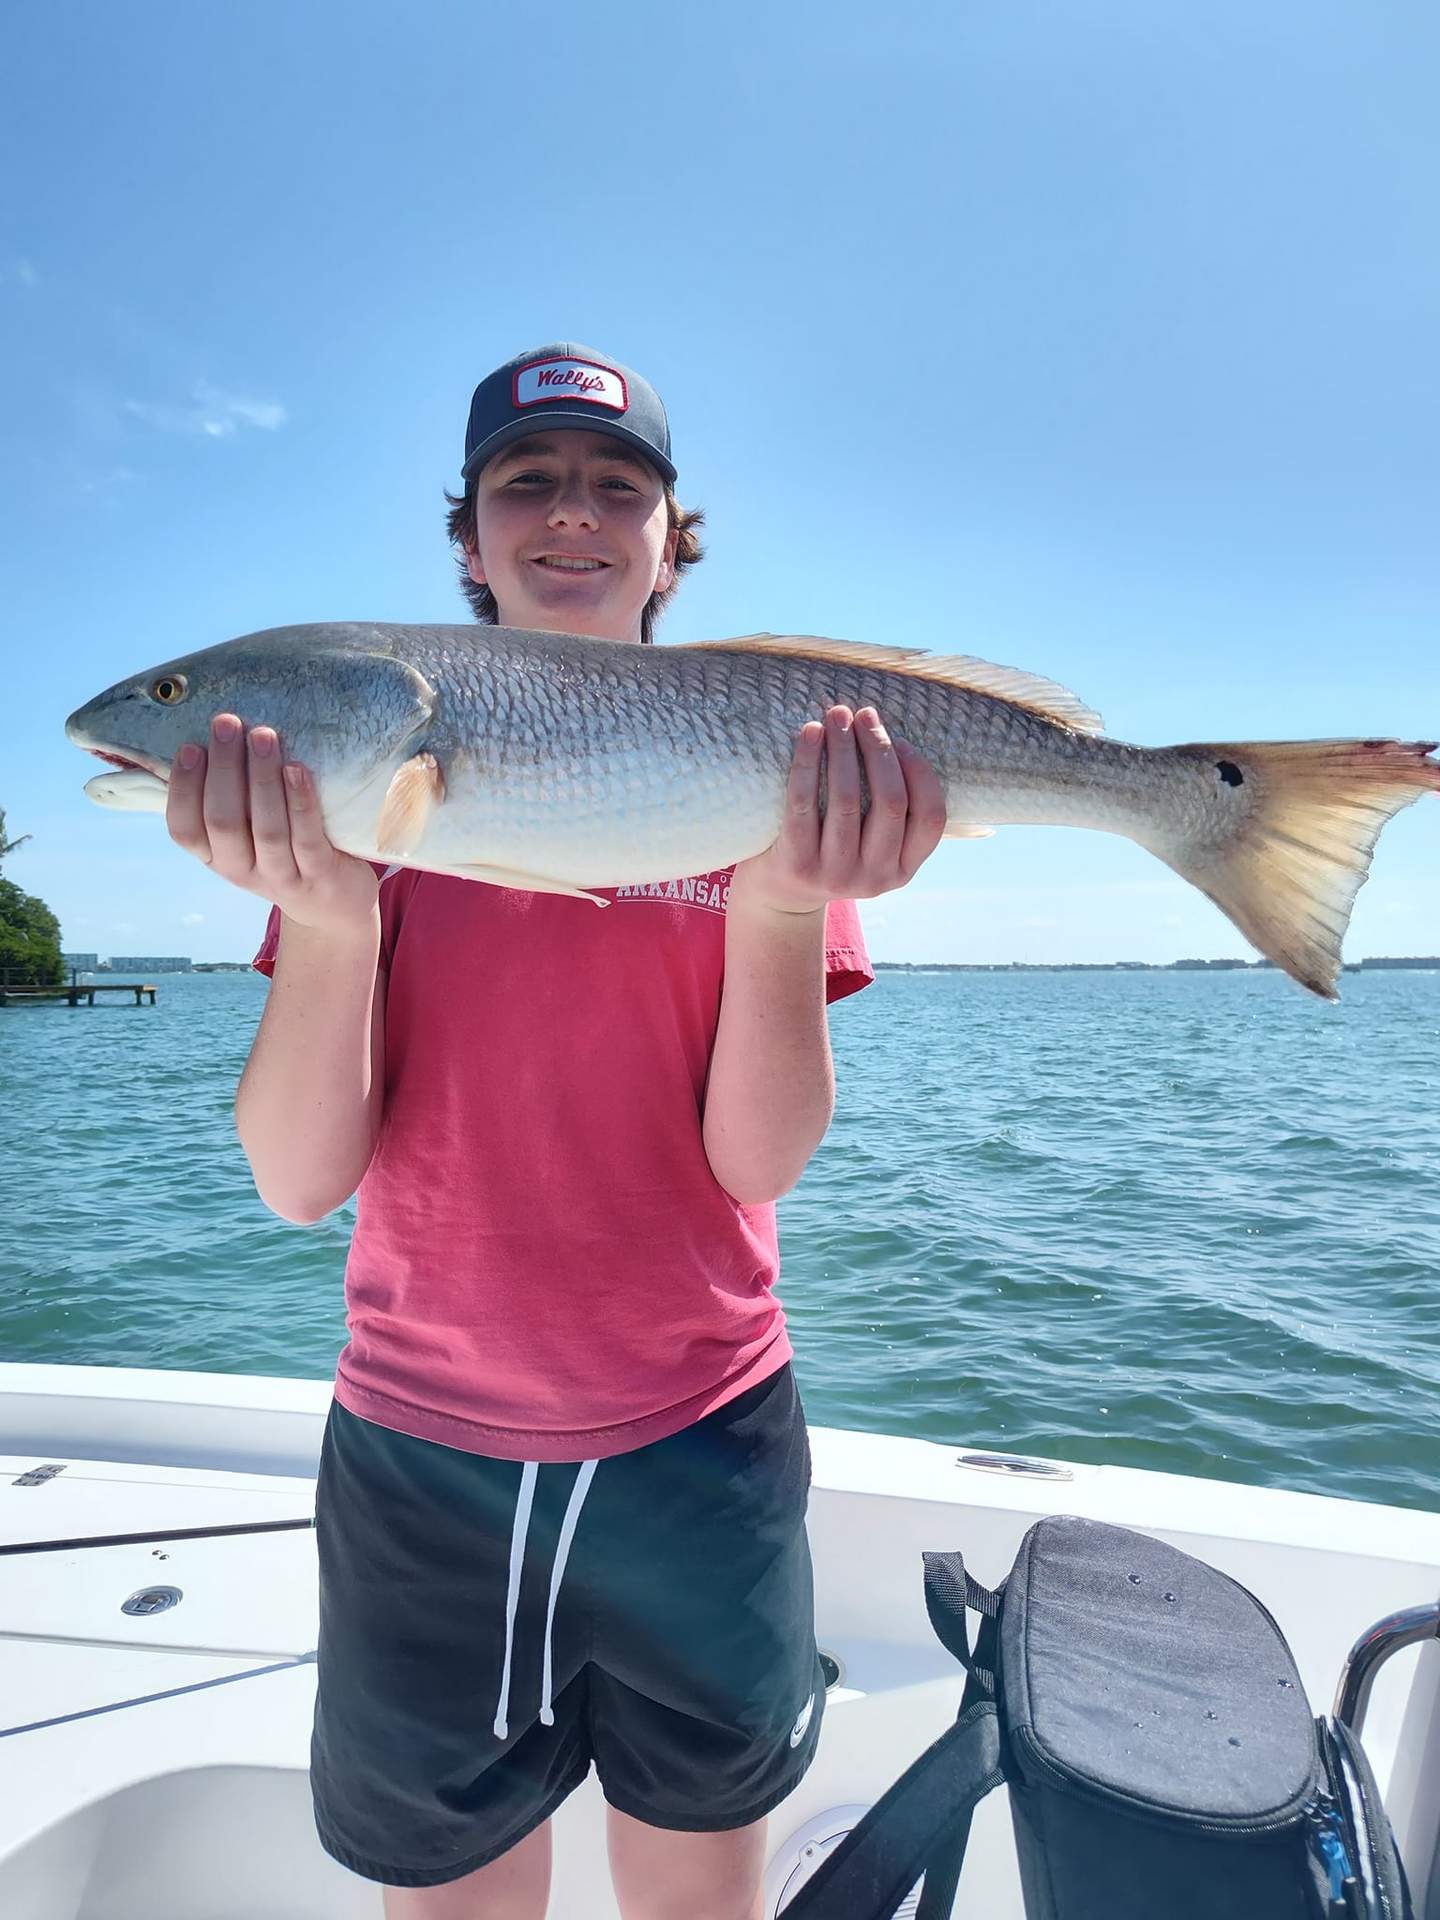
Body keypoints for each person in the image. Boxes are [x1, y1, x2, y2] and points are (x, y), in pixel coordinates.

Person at [164, 342, 947, 1920]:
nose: (572, 516)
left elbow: (759, 1164)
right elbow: (299, 1179)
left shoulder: (776, 776)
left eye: (618, 487)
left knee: (692, 1891)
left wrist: (785, 901)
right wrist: (325, 917)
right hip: (421, 1453)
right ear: (468, 539)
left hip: (704, 1435)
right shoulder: (363, 812)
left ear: (674, 540)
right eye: (527, 483)